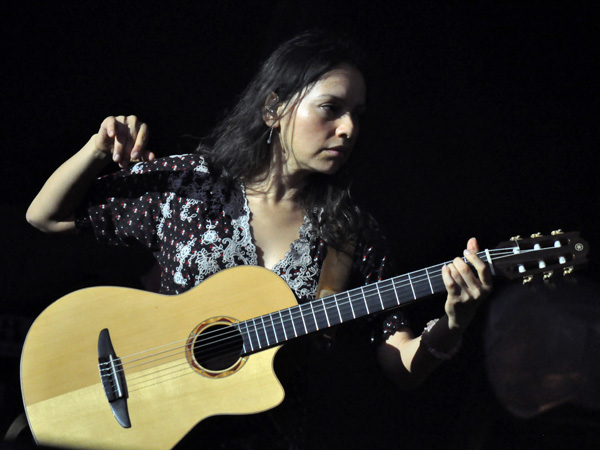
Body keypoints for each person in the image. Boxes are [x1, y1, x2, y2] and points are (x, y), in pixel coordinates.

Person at [26, 30, 492, 448]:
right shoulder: (190, 185)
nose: (348, 129)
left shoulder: (350, 233)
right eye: (331, 108)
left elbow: (400, 364)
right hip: (162, 425)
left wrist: (453, 323)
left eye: (357, 115)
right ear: (274, 109)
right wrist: (96, 150)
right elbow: (45, 217)